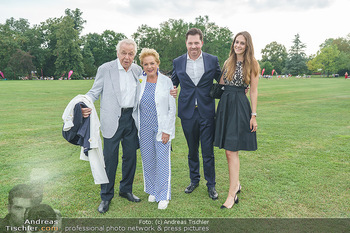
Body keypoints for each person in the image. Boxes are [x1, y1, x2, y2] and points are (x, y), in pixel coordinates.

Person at [82, 39, 143, 213]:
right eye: (124, 53)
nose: (127, 57)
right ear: (117, 53)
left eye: (131, 54)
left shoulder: (138, 70)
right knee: (110, 159)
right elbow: (94, 91)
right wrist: (83, 103)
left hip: (131, 118)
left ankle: (126, 190)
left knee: (130, 157)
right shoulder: (105, 69)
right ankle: (106, 196)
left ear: (134, 55)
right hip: (112, 119)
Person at [171, 28, 221, 200]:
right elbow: (172, 82)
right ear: (186, 43)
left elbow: (222, 80)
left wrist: (239, 88)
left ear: (202, 43)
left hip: (207, 113)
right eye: (190, 43)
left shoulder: (212, 60)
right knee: (192, 150)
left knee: (208, 152)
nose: (193, 46)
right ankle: (194, 180)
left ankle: (211, 185)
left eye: (196, 43)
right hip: (187, 113)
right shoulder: (177, 62)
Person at [214, 31, 260, 209]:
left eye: (242, 43)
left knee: (231, 150)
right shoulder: (228, 62)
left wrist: (253, 115)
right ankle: (237, 184)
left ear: (247, 45)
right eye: (236, 42)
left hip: (240, 105)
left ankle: (232, 194)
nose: (238, 45)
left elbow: (254, 90)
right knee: (228, 150)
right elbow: (221, 83)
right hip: (225, 105)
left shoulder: (253, 63)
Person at [137, 48, 176, 210]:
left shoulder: (166, 82)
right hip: (144, 128)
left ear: (157, 63)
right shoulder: (139, 80)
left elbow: (171, 109)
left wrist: (167, 130)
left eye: (152, 63)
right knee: (148, 160)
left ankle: (163, 195)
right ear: (142, 66)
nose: (149, 67)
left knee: (162, 161)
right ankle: (152, 190)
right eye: (146, 64)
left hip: (161, 127)